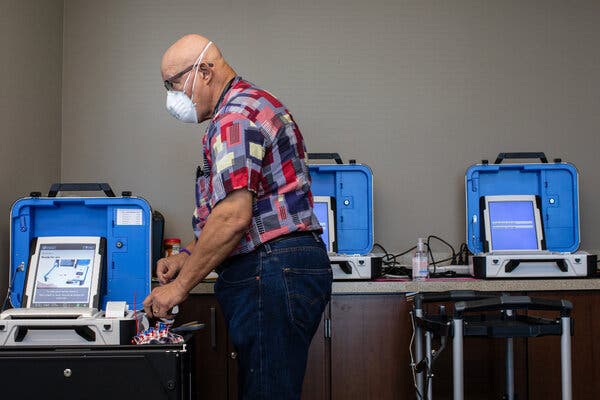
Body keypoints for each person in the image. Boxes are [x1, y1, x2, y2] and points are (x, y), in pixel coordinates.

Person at [143, 34, 332, 399]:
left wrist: (178, 289)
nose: (172, 96)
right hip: (285, 267)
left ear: (205, 71)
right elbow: (245, 209)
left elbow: (233, 218)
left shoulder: (234, 119)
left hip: (272, 270)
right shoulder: (251, 105)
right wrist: (187, 257)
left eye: (174, 83)